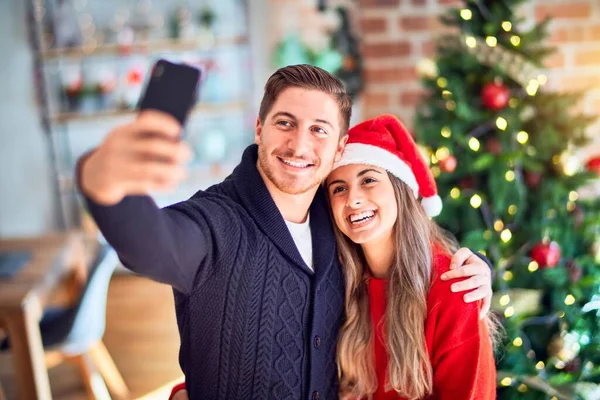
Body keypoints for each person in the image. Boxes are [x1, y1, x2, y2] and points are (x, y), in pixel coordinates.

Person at [77, 65, 494, 399]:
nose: (298, 145)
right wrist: (101, 178)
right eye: (284, 123)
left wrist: (477, 269)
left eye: (318, 129)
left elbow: (403, 253)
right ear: (259, 128)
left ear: (337, 148)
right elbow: (153, 245)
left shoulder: (339, 224)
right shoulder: (216, 221)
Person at [326, 114, 498, 399]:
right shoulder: (337, 282)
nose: (352, 199)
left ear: (400, 190)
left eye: (368, 180)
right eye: (338, 188)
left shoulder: (454, 287)